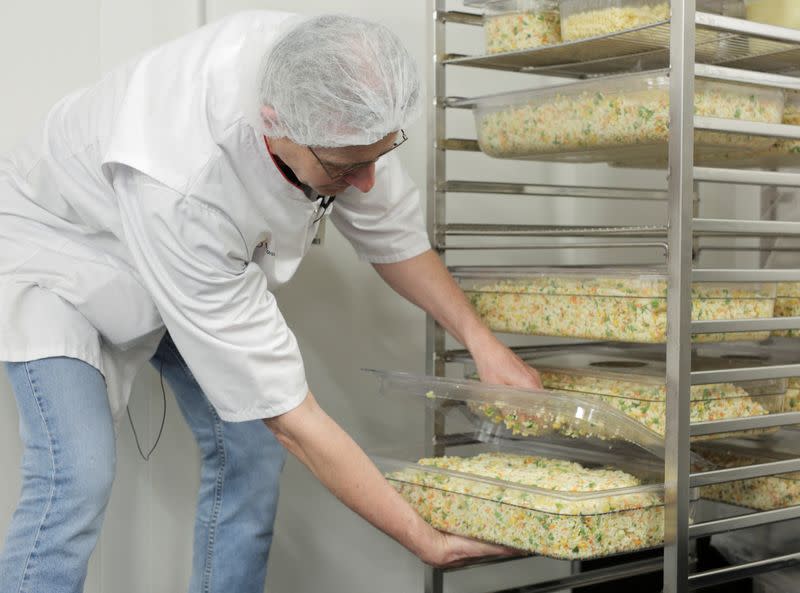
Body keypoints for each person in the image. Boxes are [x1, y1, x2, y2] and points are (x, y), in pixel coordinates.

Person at [0, 10, 542, 593]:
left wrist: (482, 342)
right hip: (59, 252)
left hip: (173, 254)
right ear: (274, 123)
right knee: (76, 474)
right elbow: (290, 416)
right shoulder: (185, 184)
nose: (366, 183)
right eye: (346, 168)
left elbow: (394, 234)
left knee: (250, 452)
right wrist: (423, 539)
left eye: (378, 157)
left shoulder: (332, 76)